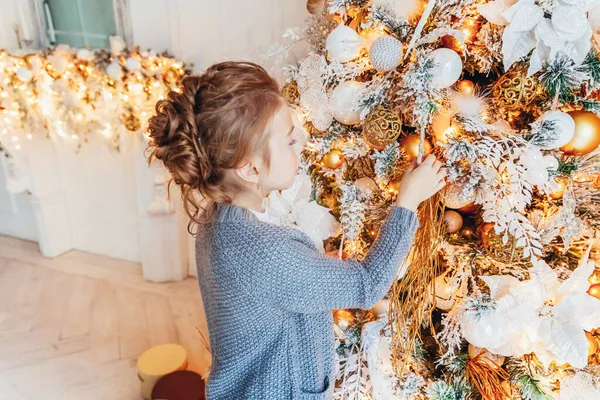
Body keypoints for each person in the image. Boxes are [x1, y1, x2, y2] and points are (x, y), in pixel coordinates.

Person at [146, 61, 446, 399]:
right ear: (249, 168)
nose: (300, 144)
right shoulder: (268, 253)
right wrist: (407, 201)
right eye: (289, 141)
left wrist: (313, 267)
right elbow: (367, 285)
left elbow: (269, 291)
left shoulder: (214, 223)